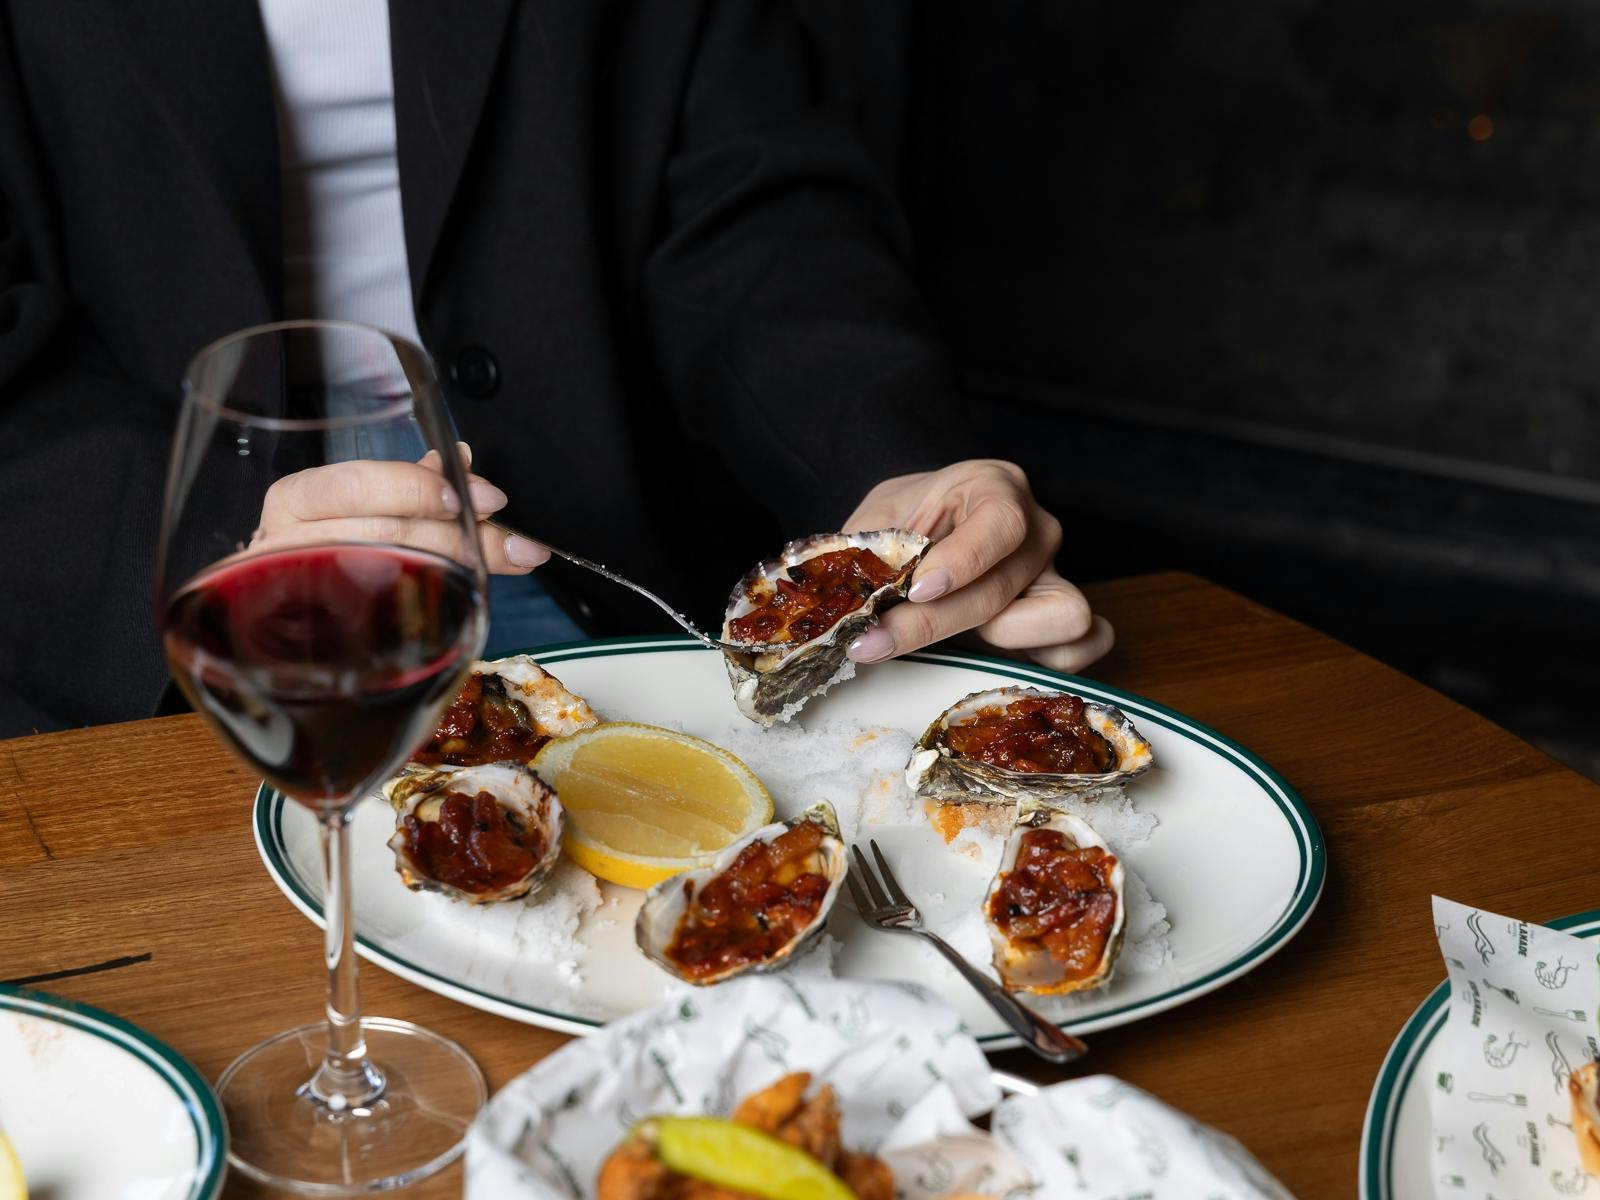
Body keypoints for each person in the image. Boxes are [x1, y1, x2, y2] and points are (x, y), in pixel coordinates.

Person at [0, 1, 1111, 737]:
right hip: (131, 533)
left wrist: (895, 469)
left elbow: (753, 201)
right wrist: (201, 551)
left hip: (580, 521)